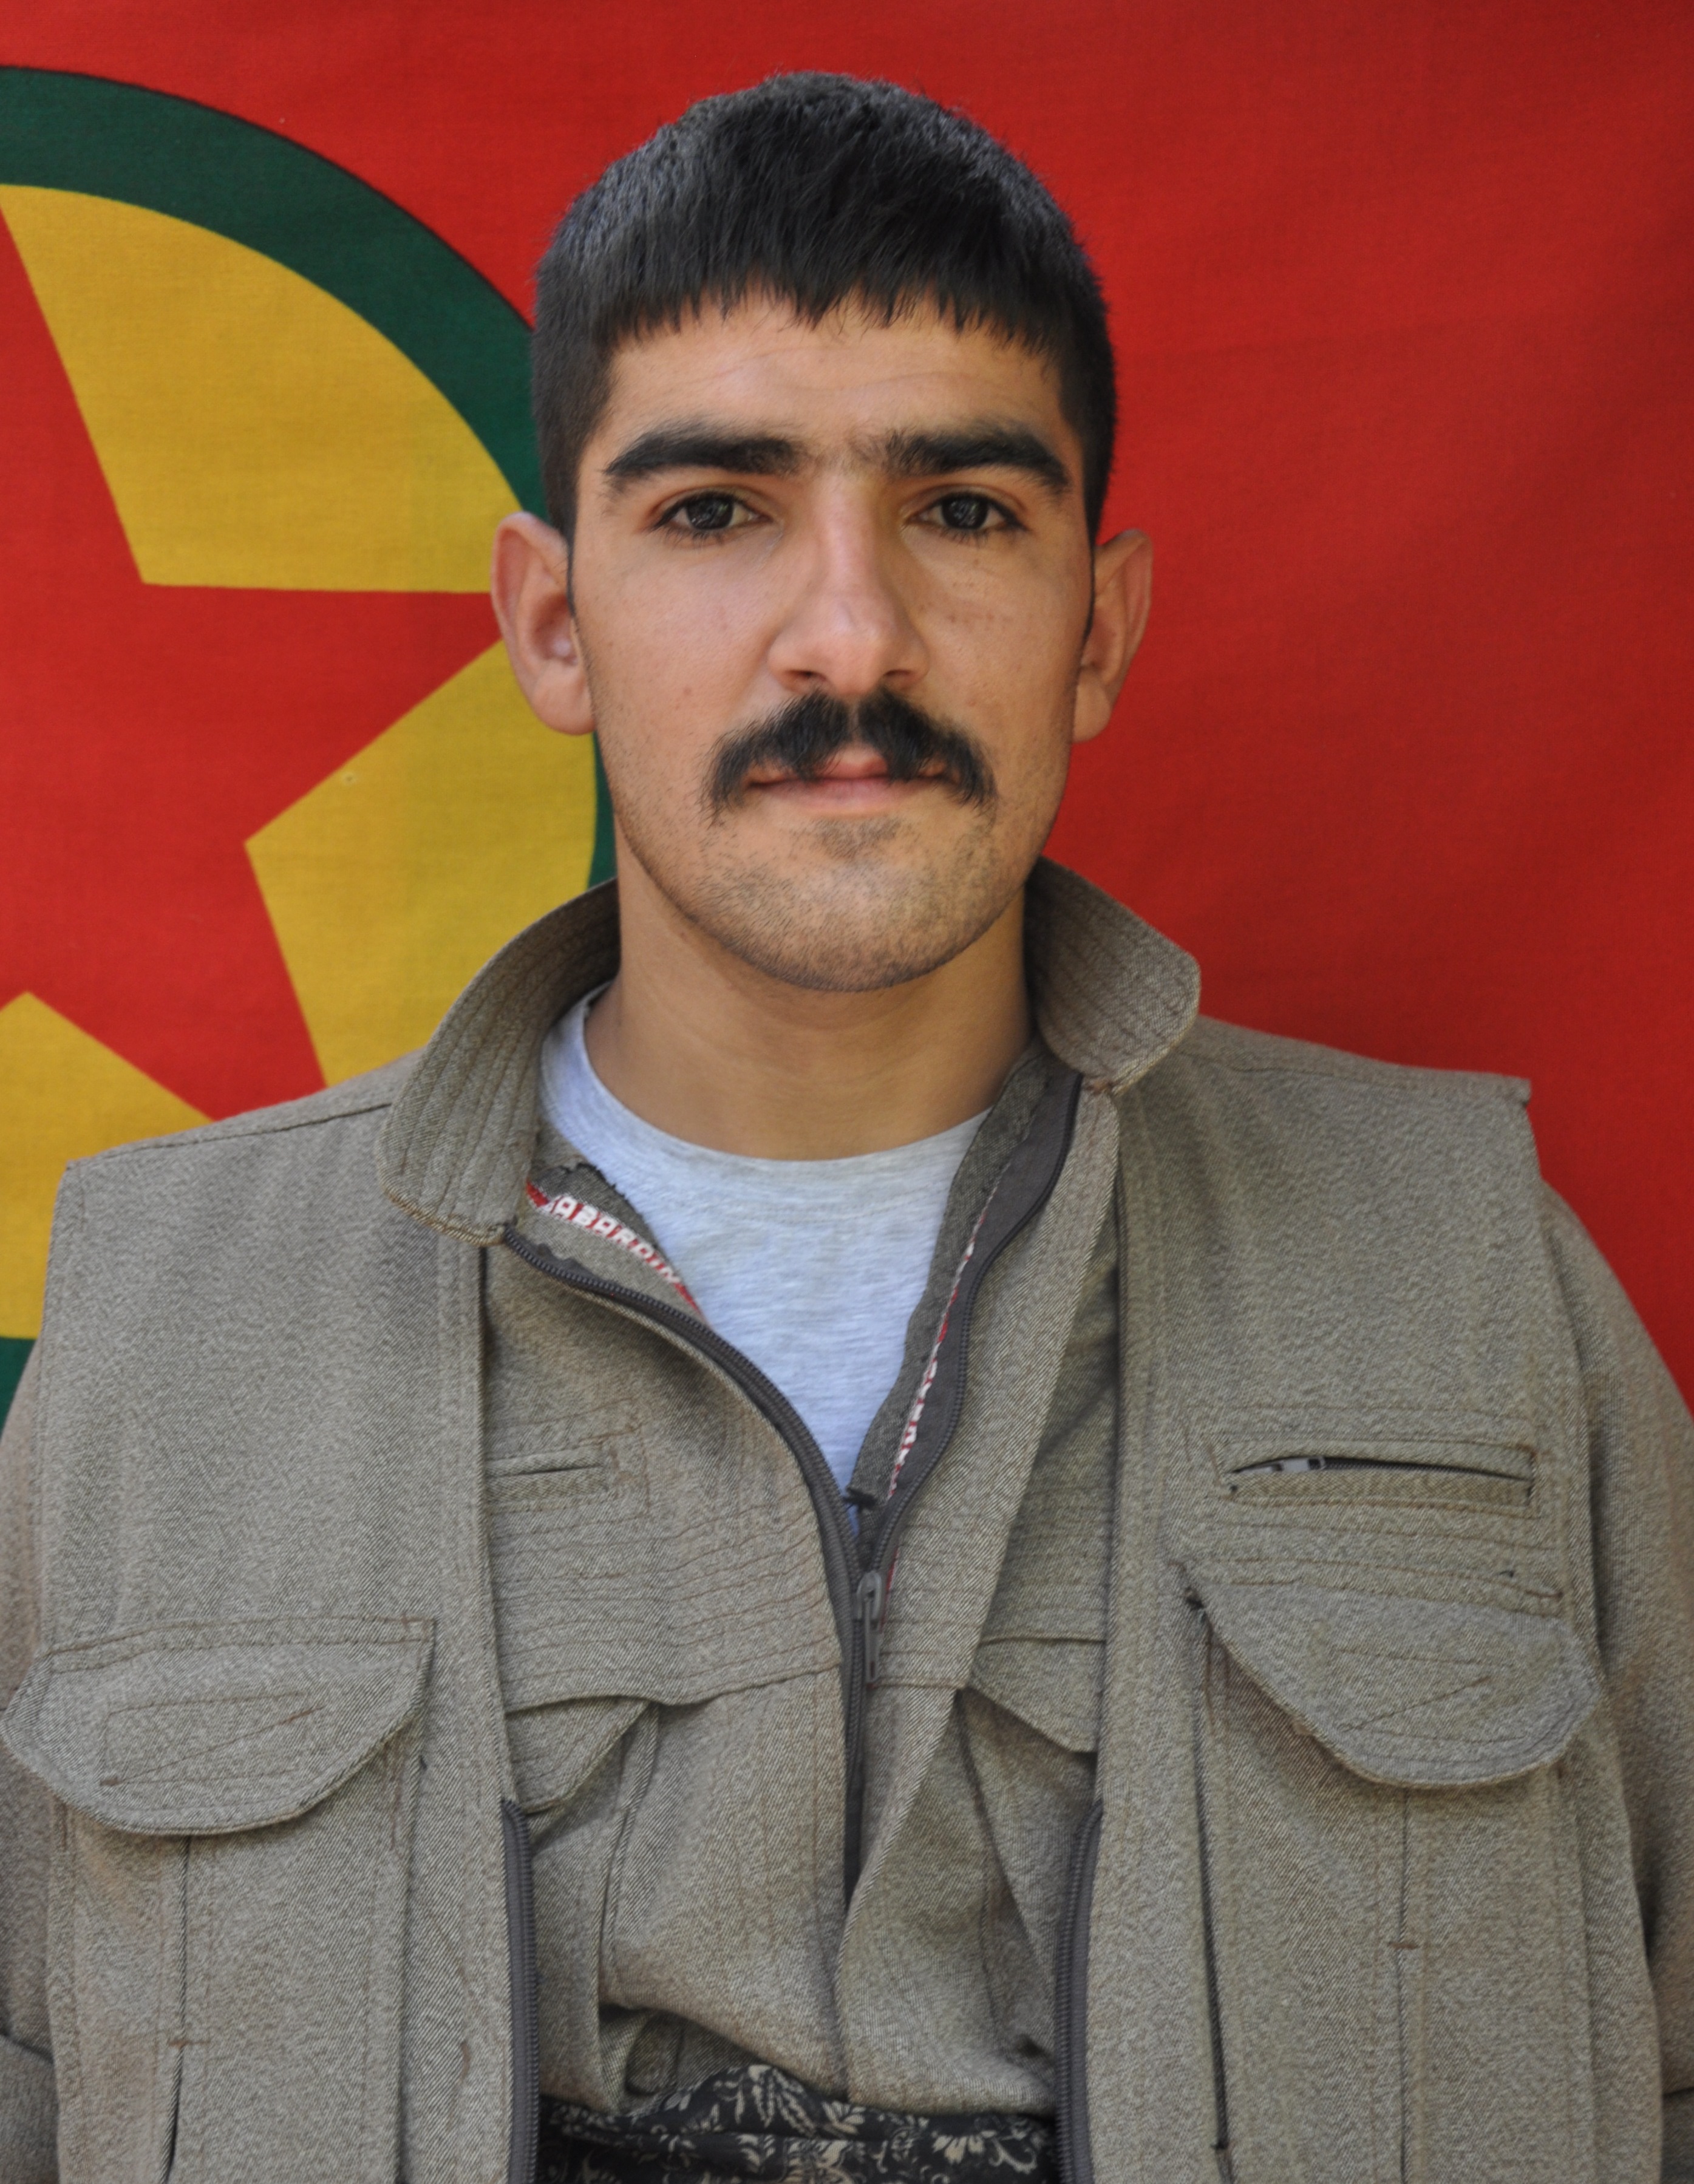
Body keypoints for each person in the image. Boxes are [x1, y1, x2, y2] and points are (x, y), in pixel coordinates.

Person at [0, 70, 1689, 2184]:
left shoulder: (1467, 1273)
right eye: (717, 511)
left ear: (1100, 628)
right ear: (553, 625)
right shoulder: (171, 1331)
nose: (854, 637)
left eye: (962, 511)